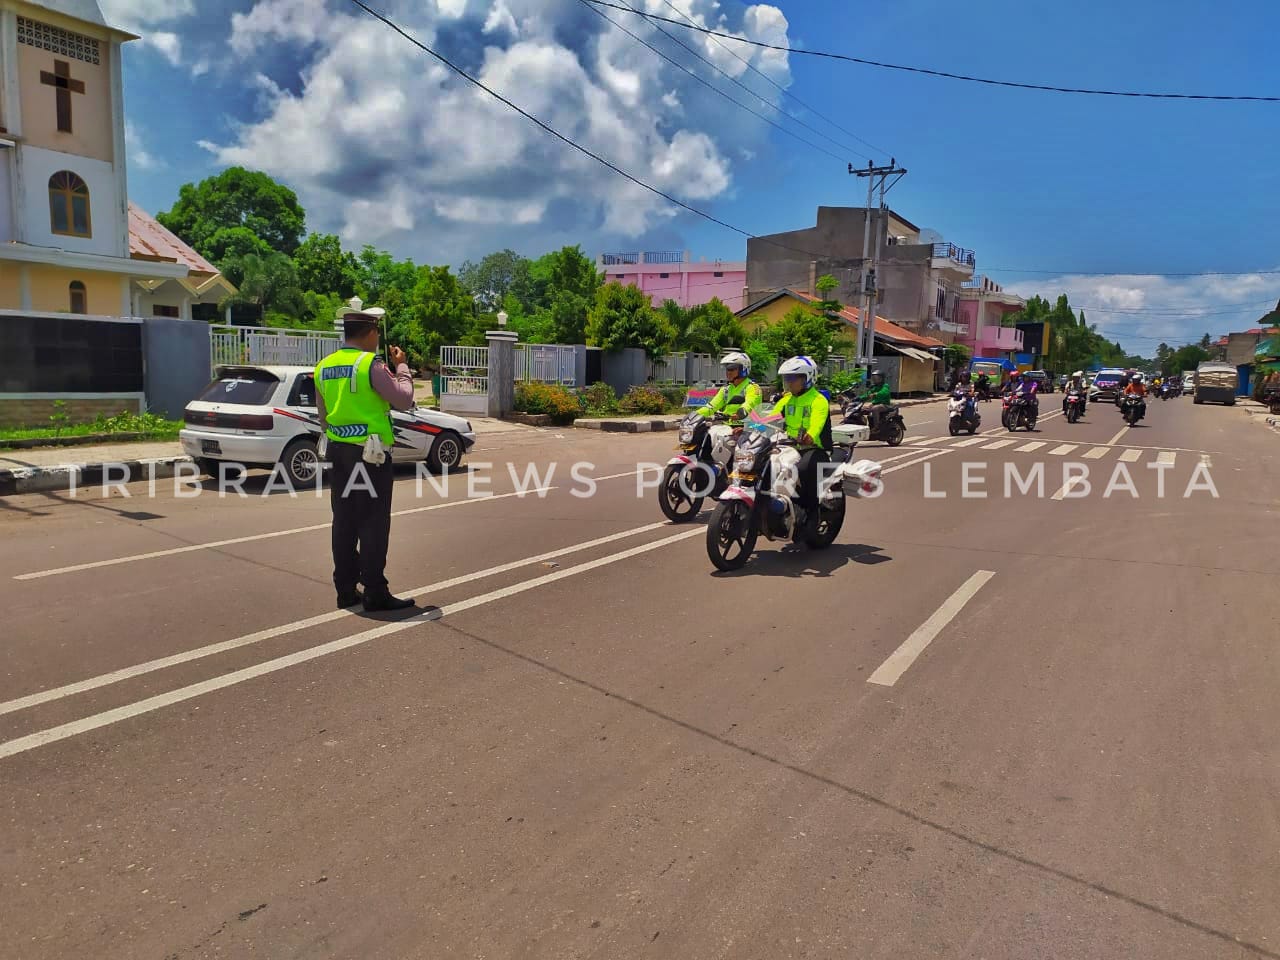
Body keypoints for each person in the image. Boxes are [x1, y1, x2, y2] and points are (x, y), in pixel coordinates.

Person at [315, 305, 417, 612]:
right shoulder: (369, 364)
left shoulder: (323, 366)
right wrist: (402, 367)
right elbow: (403, 399)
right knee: (373, 522)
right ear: (371, 333)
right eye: (376, 333)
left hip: (338, 450)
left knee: (344, 521)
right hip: (370, 454)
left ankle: (345, 590)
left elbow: (323, 418)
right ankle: (375, 590)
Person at [771, 356, 830, 539]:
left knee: (801, 469)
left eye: (793, 378)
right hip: (789, 446)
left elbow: (817, 423)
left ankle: (811, 513)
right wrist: (750, 426)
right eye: (787, 378)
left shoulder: (818, 400)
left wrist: (810, 435)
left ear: (807, 378)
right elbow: (769, 418)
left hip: (814, 448)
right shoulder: (787, 400)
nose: (788, 382)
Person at [698, 351, 761, 422]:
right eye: (727, 369)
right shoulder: (726, 390)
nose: (728, 372)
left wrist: (742, 412)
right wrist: (695, 415)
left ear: (743, 369)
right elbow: (711, 407)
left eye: (732, 369)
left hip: (748, 427)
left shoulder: (752, 387)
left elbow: (750, 403)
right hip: (727, 427)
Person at [862, 368, 892, 435]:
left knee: (875, 408)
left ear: (882, 378)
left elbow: (884, 392)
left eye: (878, 378)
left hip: (885, 405)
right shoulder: (874, 387)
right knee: (862, 409)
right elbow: (867, 394)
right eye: (874, 378)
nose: (876, 379)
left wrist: (876, 394)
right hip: (875, 404)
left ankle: (876, 427)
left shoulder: (885, 386)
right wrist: (858, 398)